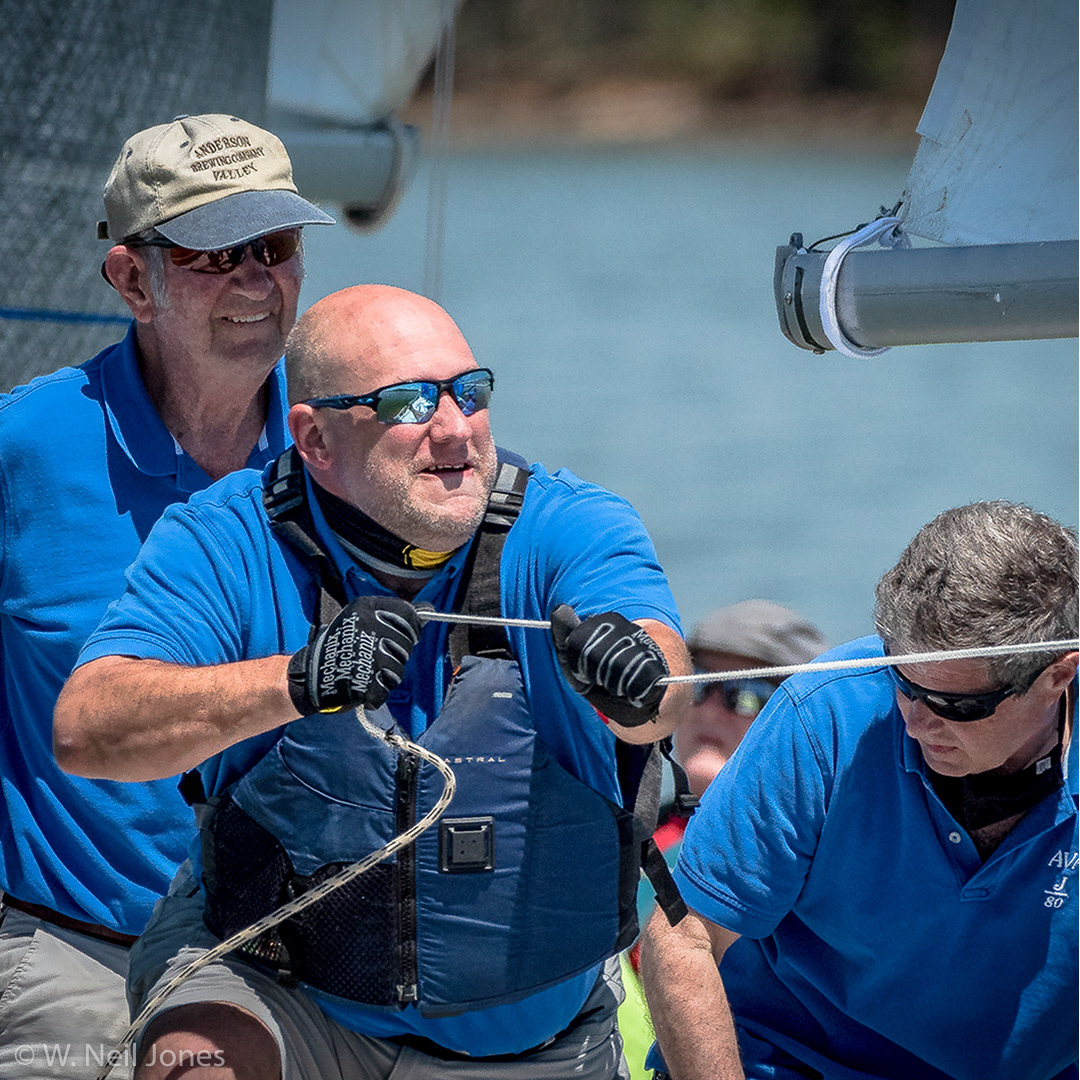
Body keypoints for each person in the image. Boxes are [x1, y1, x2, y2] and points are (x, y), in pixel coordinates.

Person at [53, 283, 692, 1080]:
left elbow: (665, 687)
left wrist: (641, 681)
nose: (455, 428)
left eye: (471, 392)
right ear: (315, 439)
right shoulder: (221, 539)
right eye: (408, 403)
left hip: (536, 1039)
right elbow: (86, 731)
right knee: (197, 1061)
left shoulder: (569, 525)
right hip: (288, 999)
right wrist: (297, 680)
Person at [0, 113, 333, 1075]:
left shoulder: (347, 447)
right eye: (213, 253)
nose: (255, 279)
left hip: (299, 957)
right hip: (74, 949)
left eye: (274, 247)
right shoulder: (25, 450)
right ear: (131, 280)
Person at [640, 501, 1079, 1080]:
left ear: (1058, 676)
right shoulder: (826, 712)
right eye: (904, 683)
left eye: (955, 705)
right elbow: (683, 936)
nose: (918, 722)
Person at [618, 601, 827, 1080]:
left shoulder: (828, 862)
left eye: (745, 696)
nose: (711, 709)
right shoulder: (622, 836)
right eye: (697, 686)